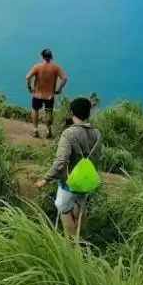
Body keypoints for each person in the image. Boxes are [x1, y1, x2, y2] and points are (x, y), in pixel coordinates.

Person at [34, 97, 103, 240]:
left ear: (71, 112)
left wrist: (45, 179)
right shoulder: (97, 134)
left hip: (70, 180)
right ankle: (82, 238)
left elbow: (61, 161)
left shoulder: (69, 133)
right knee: (80, 203)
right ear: (88, 114)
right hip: (87, 178)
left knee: (62, 206)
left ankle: (70, 244)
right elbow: (97, 158)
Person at [26, 48, 67, 138]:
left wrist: (29, 87)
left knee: (35, 110)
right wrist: (59, 89)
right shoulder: (56, 67)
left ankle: (35, 130)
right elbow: (64, 78)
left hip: (37, 94)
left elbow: (28, 77)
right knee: (49, 112)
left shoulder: (37, 66)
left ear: (42, 56)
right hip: (50, 95)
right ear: (51, 57)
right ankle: (49, 131)